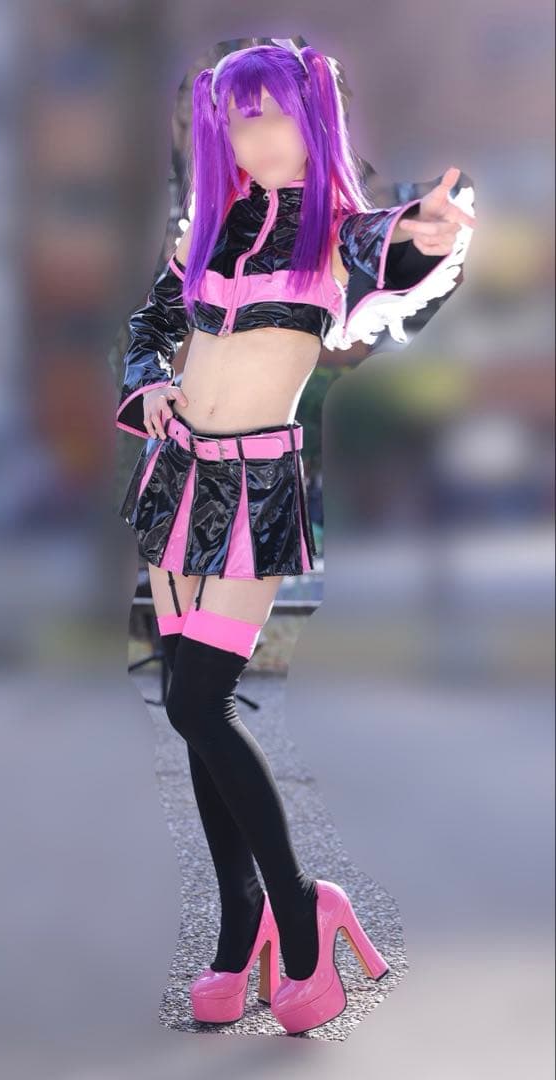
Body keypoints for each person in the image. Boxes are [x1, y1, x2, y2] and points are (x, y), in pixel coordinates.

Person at [115, 40, 476, 1034]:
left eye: (273, 115)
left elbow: (398, 248)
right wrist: (148, 386)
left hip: (257, 486)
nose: (256, 138)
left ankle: (299, 909)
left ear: (312, 119)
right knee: (191, 713)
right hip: (176, 475)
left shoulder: (337, 234)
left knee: (198, 699)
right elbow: (150, 326)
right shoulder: (207, 229)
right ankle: (238, 931)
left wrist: (429, 234)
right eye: (239, 122)